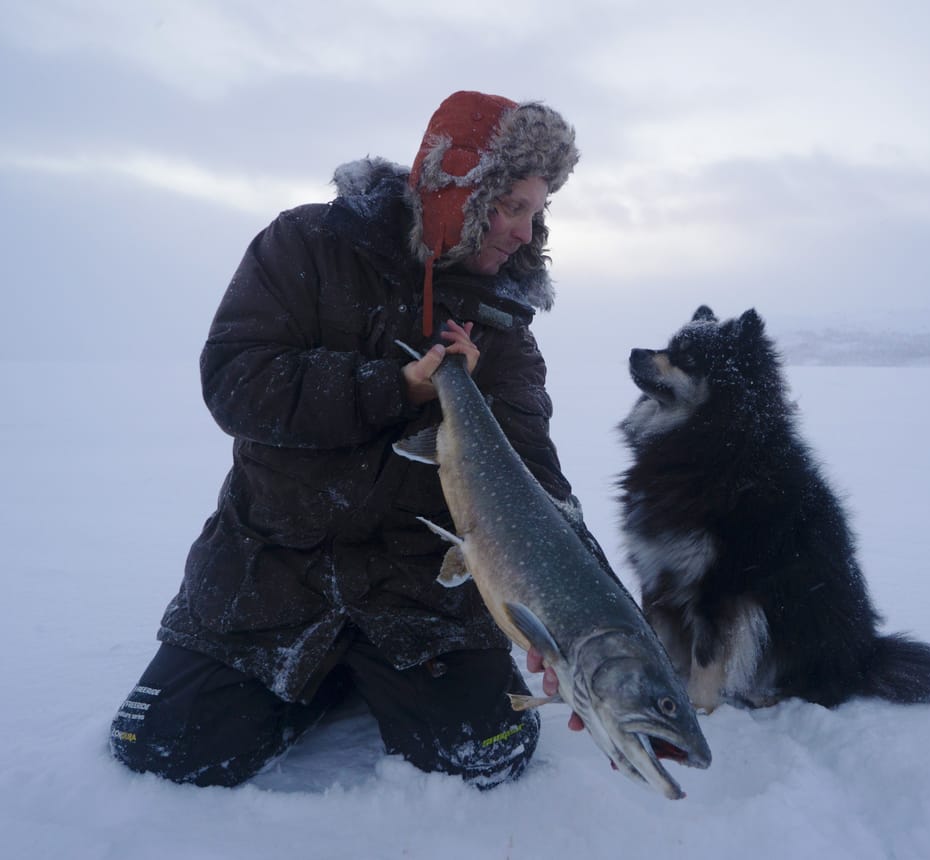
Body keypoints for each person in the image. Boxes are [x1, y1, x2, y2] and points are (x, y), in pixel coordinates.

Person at [109, 90, 602, 789]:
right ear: (457, 191)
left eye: (537, 211)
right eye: (512, 206)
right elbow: (236, 380)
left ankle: (360, 669)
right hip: (273, 568)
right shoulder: (306, 244)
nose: (526, 232)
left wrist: (590, 626)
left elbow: (533, 478)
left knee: (484, 757)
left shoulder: (503, 324)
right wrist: (392, 388)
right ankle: (323, 671)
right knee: (158, 747)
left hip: (419, 589)